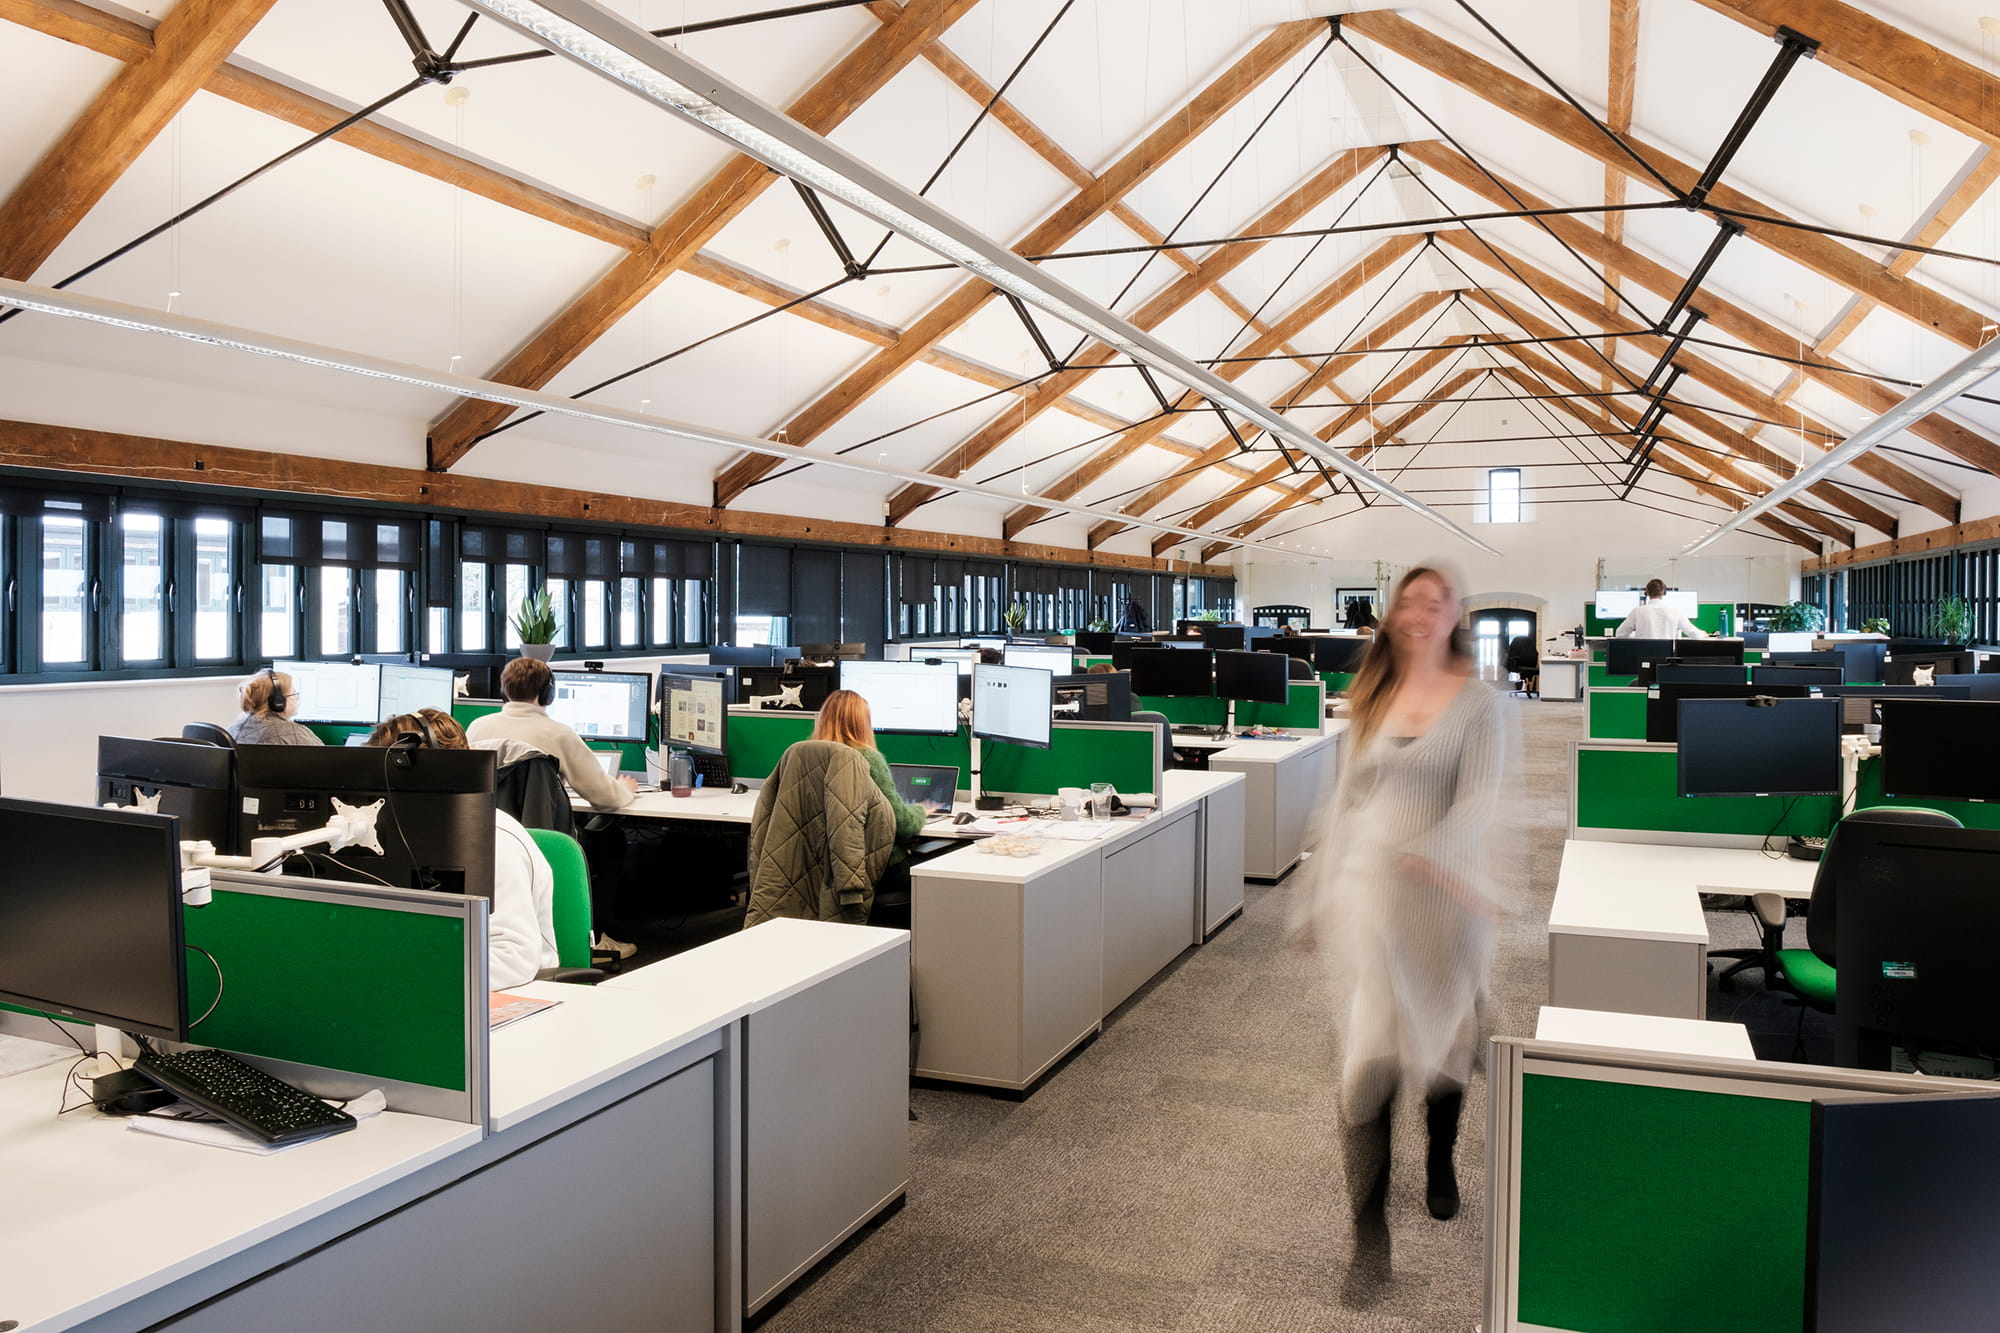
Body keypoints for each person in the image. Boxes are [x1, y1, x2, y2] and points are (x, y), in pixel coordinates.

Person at [1295, 566, 1511, 1301]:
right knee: (1368, 1065)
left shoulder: (1479, 704)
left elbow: (1479, 803)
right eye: (1409, 601)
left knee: (1446, 1049)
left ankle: (1441, 1156)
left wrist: (1432, 854)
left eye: (1436, 601)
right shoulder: (1374, 695)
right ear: (1391, 616)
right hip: (1377, 906)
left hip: (1446, 908)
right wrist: (1310, 898)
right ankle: (1369, 1240)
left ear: (1455, 615)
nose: (1421, 612)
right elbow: (1344, 803)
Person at [364, 709, 558, 990]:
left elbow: (513, 958)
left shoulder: (493, 841)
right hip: (432, 980)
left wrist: (413, 979)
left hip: (509, 987)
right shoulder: (395, 833)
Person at [465, 657, 635, 812]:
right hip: (539, 830)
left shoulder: (477, 726)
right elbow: (604, 797)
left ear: (504, 691)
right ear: (548, 694)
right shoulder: (560, 734)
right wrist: (624, 789)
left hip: (488, 828)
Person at [228, 667, 324, 746]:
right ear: (278, 702)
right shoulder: (293, 733)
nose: (297, 698)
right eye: (293, 694)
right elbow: (324, 758)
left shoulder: (235, 728)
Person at [1614, 578, 1707, 639]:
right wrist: (1703, 634)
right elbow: (1695, 634)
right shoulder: (1676, 611)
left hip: (1642, 658)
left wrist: (1637, 635)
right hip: (1666, 659)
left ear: (1647, 593)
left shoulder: (1637, 611)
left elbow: (1620, 634)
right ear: (1664, 592)